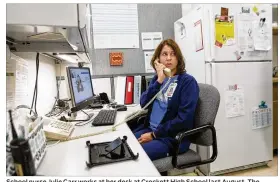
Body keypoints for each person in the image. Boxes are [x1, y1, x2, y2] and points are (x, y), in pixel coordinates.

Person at [131, 39, 199, 161]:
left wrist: (154, 135)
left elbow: (184, 119)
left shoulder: (187, 82)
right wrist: (159, 80)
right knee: (123, 144)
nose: (168, 58)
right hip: (150, 130)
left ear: (178, 58)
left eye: (173, 54)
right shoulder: (158, 79)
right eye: (164, 54)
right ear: (158, 59)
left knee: (134, 155)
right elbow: (144, 104)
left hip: (171, 138)